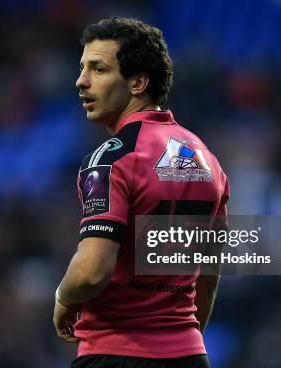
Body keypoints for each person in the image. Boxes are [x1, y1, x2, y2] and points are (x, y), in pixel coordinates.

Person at [53, 17, 229, 368]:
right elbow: (208, 275)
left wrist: (62, 299)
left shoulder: (113, 157)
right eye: (83, 68)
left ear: (138, 82)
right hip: (189, 357)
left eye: (98, 69)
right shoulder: (207, 160)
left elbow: (91, 271)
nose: (81, 81)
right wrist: (181, 341)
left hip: (115, 354)